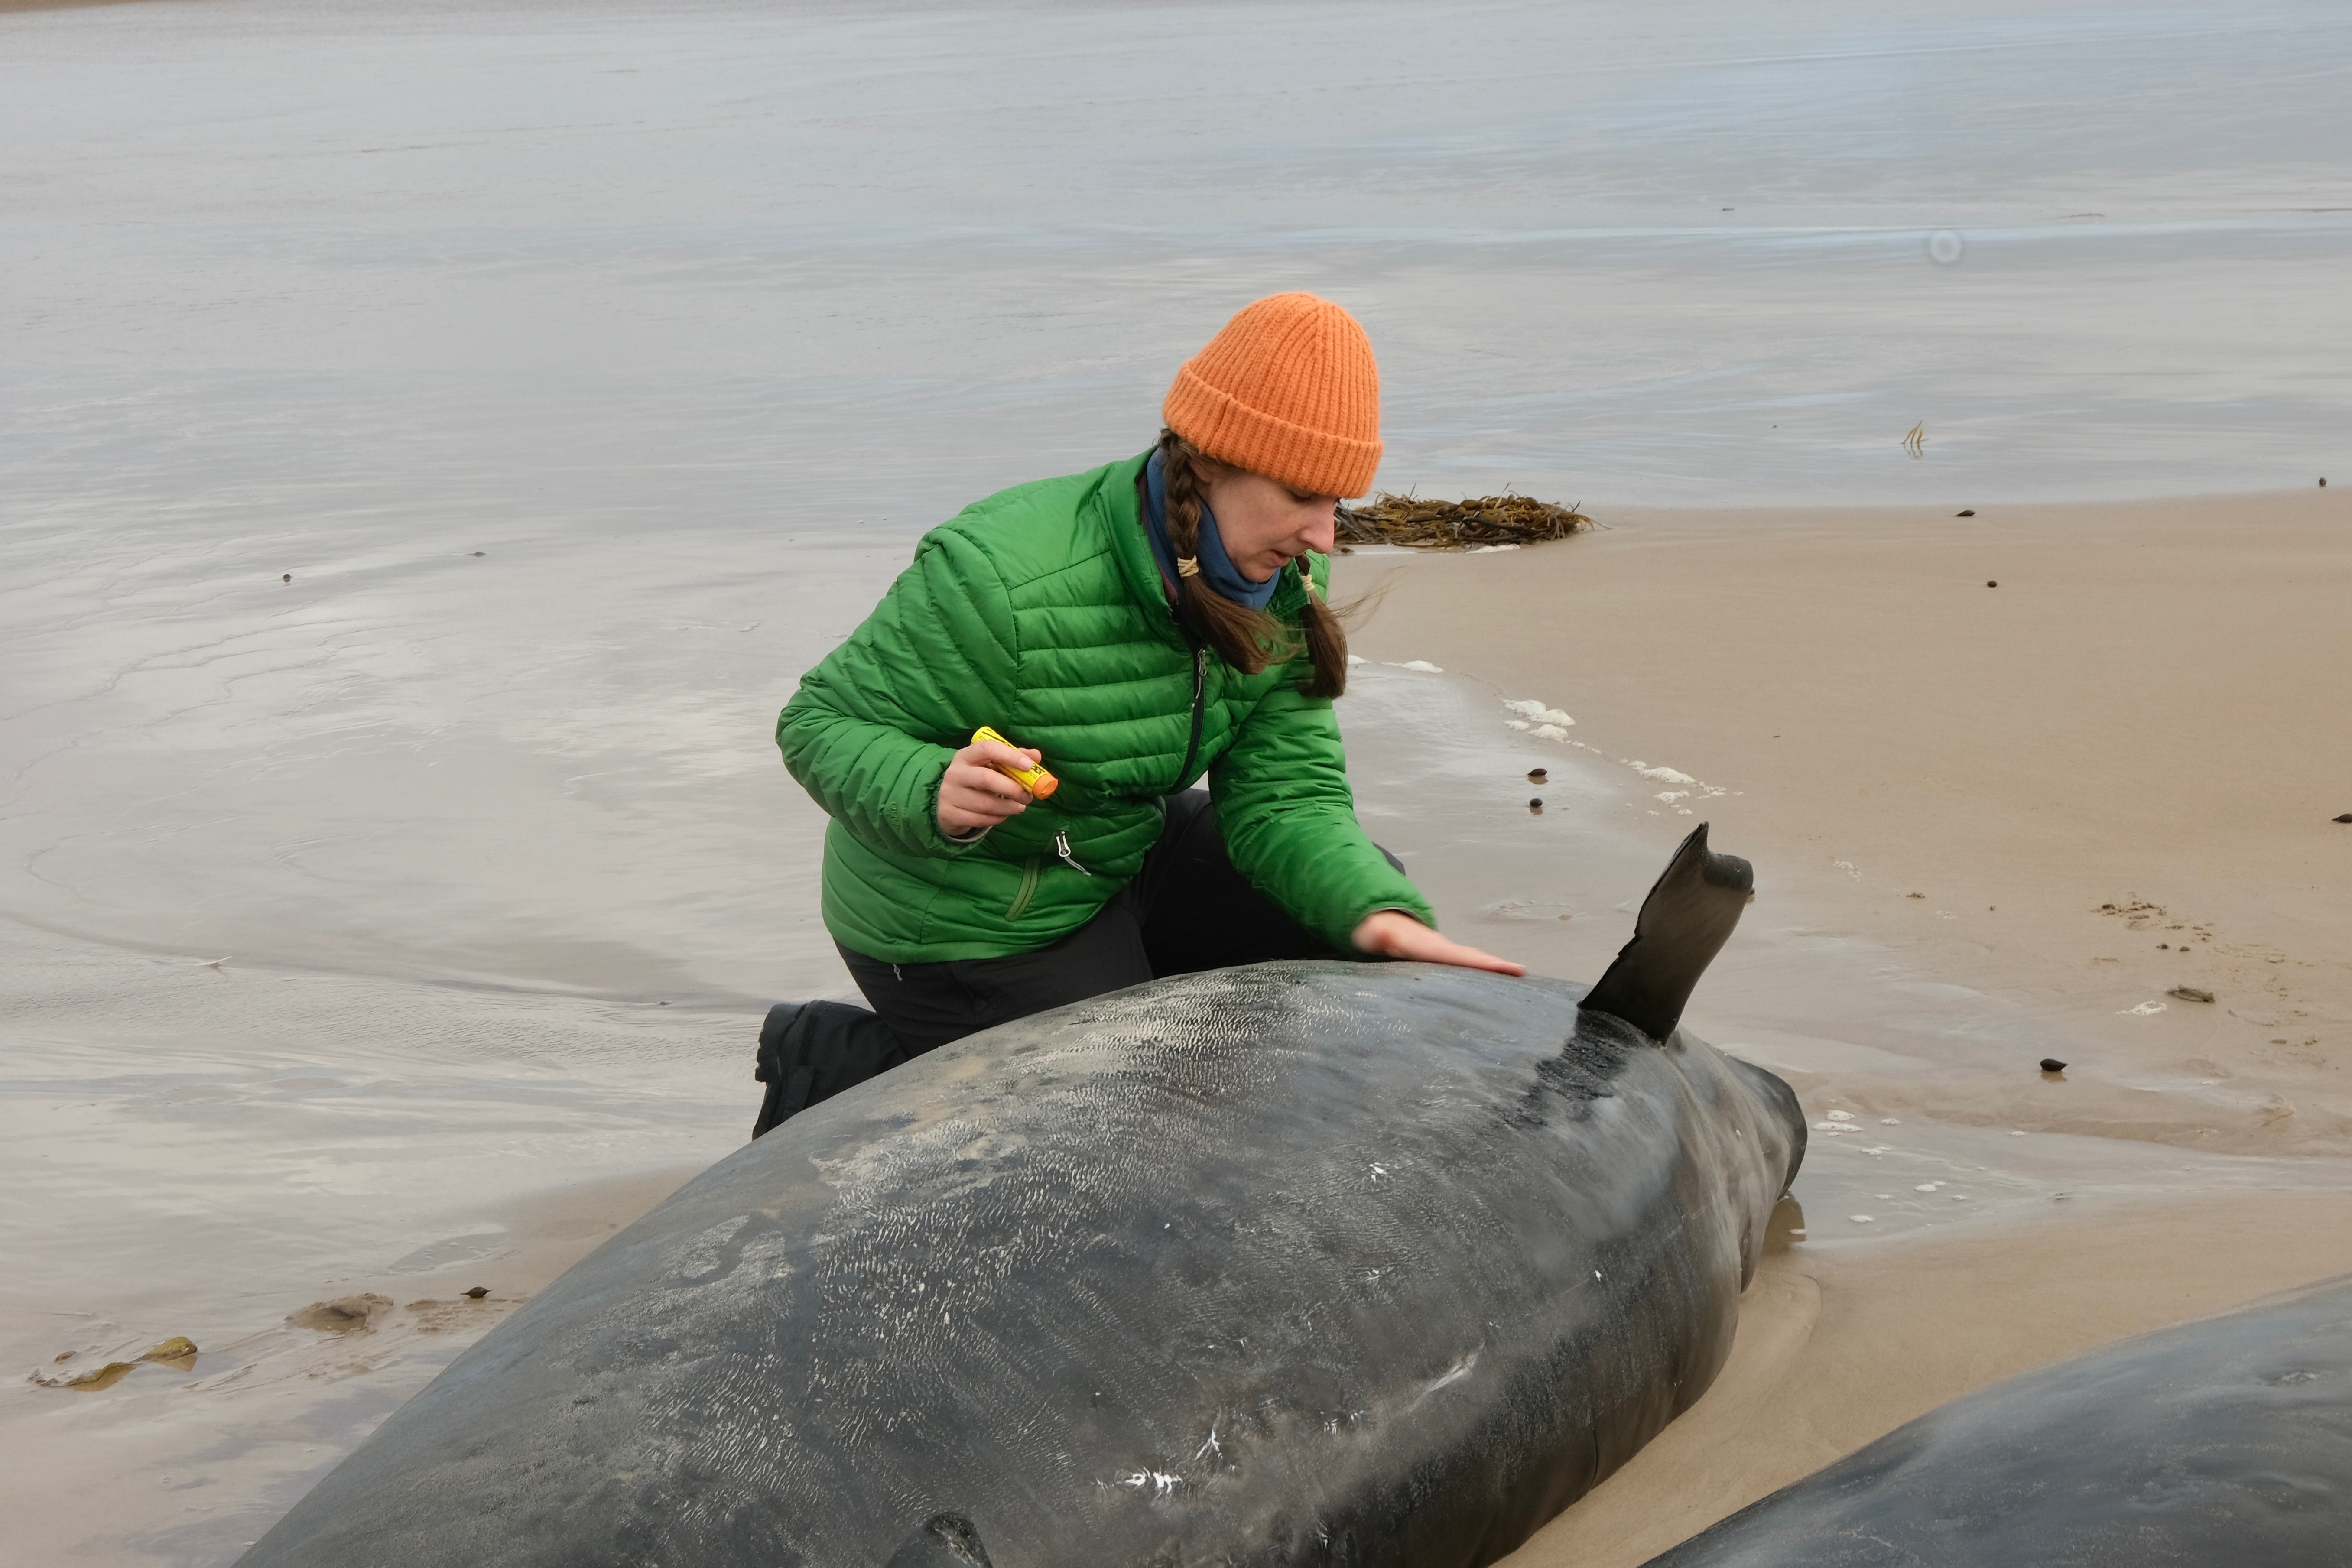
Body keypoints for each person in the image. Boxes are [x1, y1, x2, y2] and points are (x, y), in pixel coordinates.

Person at [757, 292, 1521, 1136]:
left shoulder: (1283, 580)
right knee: (1121, 1127)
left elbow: (1286, 797)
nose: (1323, 534)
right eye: (1303, 495)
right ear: (1211, 462)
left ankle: (1130, 1019)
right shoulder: (1002, 578)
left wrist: (1375, 914)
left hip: (1110, 850)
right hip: (965, 913)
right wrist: (930, 786)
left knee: (1344, 916)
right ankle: (844, 1066)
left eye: (1335, 501)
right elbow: (818, 723)